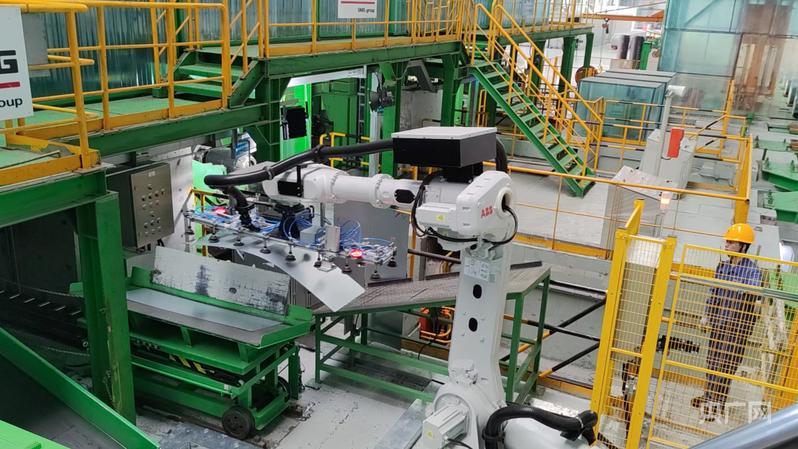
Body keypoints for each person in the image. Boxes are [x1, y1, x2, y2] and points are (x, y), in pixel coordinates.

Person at [692, 223, 762, 421]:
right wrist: (706, 314)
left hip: (736, 328)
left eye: (732, 242)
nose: (727, 245)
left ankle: (716, 404)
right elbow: (714, 291)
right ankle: (709, 396)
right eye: (727, 241)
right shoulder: (722, 267)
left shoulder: (752, 271)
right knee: (712, 361)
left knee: (726, 365)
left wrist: (739, 289)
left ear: (743, 246)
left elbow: (753, 292)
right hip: (719, 322)